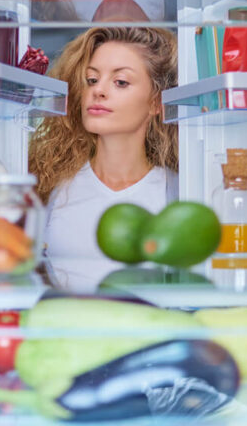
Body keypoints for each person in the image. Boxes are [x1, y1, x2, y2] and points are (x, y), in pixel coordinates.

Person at [28, 27, 178, 284]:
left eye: (120, 82)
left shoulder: (178, 192)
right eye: (91, 80)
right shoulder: (49, 188)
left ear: (155, 102)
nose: (99, 91)